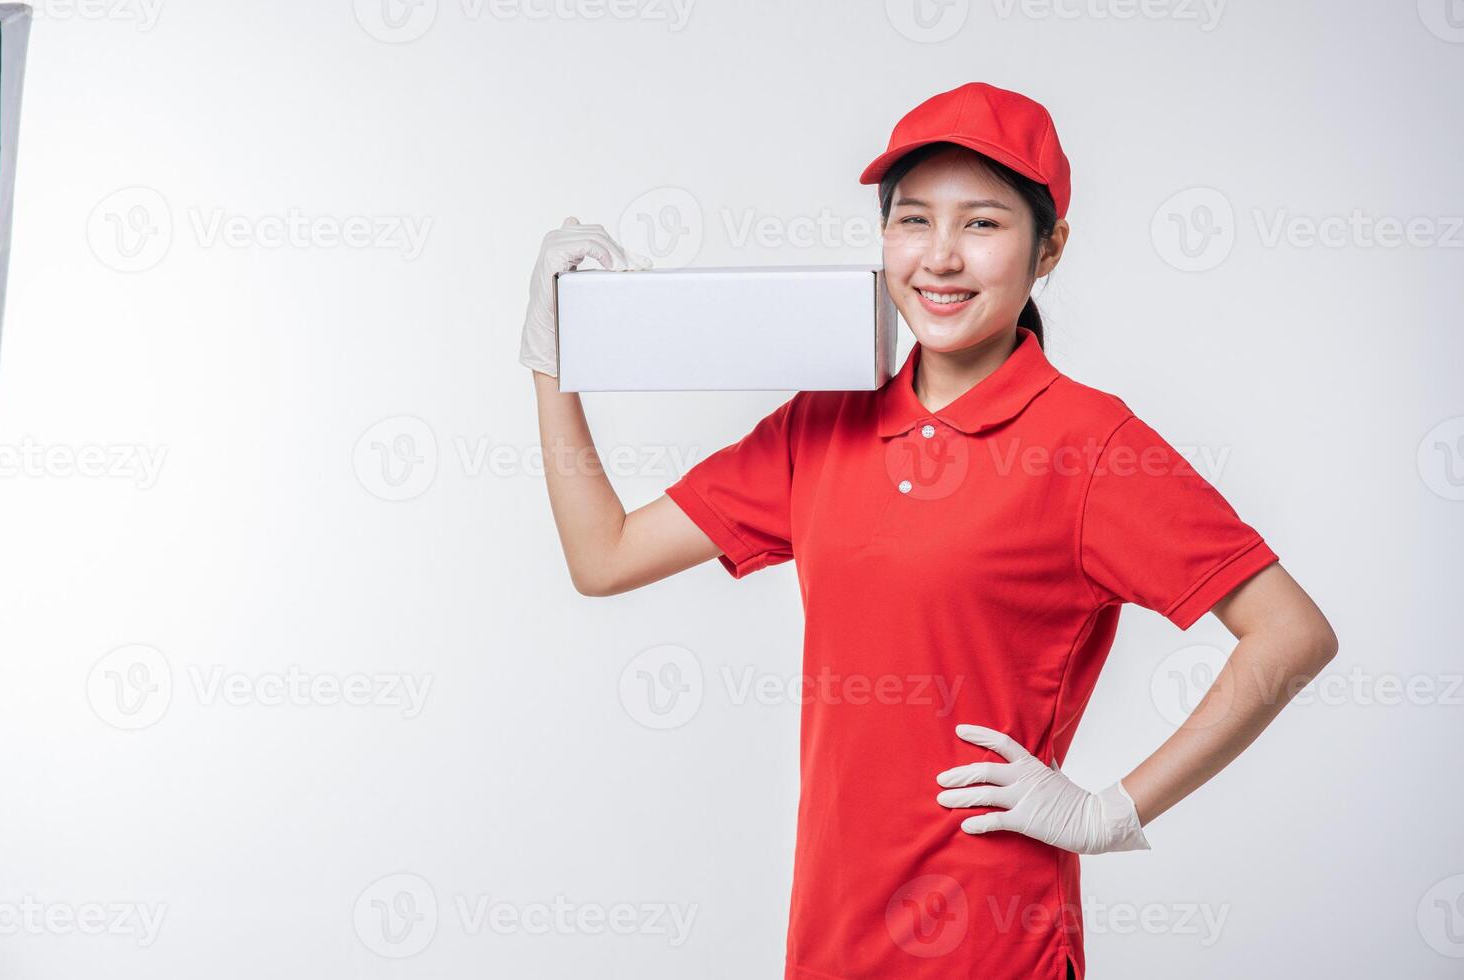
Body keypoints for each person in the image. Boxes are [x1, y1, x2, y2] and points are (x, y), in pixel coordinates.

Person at [518, 81, 1338, 980]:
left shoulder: (1090, 445)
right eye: (913, 221)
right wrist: (556, 363)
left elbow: (1290, 633)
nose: (940, 258)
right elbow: (604, 558)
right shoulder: (823, 420)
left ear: (1048, 248)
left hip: (992, 940)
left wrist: (1108, 812)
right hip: (831, 931)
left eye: (982, 225)